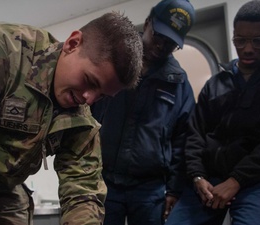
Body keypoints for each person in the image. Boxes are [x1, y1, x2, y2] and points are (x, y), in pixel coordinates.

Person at [0, 12, 143, 225]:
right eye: (90, 81)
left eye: (102, 95)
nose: (89, 98)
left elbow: (83, 191)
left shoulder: (80, 117)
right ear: (73, 43)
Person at [165, 1, 260, 224]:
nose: (247, 48)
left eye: (258, 41)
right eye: (240, 40)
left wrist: (236, 180)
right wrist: (198, 176)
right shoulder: (215, 85)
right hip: (209, 178)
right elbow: (195, 134)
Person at [91, 0, 195, 224]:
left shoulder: (178, 82)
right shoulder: (114, 60)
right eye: (159, 36)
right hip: (104, 180)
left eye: (170, 43)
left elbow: (182, 140)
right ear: (148, 23)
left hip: (150, 190)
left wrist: (174, 190)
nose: (161, 46)